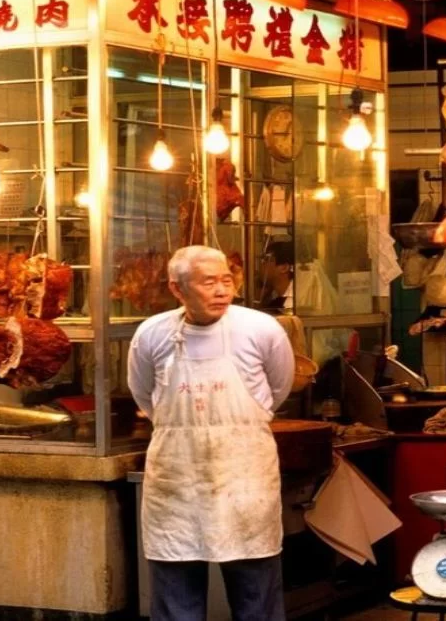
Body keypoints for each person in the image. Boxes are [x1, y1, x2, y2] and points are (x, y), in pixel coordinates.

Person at [128, 245, 295, 621]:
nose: (223, 290)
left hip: (244, 483)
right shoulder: (152, 334)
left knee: (257, 598)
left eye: (226, 280)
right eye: (209, 282)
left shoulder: (261, 328)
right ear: (177, 288)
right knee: (176, 596)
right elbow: (143, 394)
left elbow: (279, 388)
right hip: (177, 485)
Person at [258, 240, 295, 312]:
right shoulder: (272, 295)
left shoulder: (292, 303)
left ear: (284, 268)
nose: (261, 264)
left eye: (267, 260)